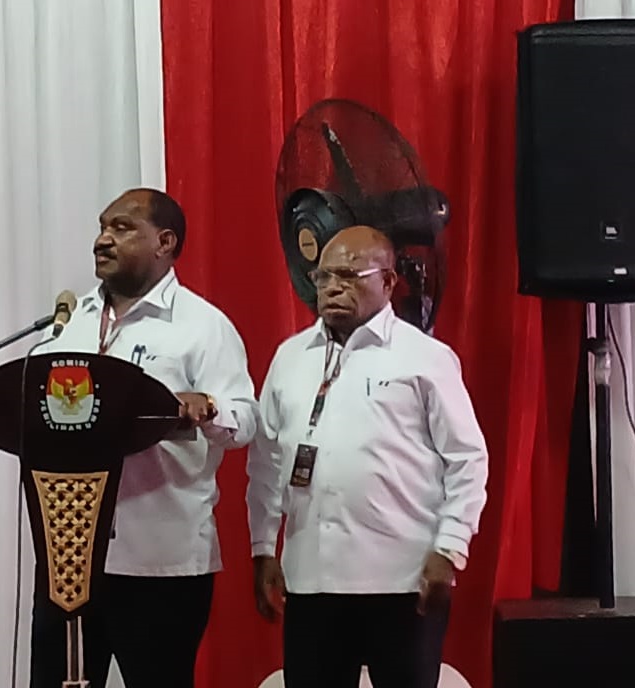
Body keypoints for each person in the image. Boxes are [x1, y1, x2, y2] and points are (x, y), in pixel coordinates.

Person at [30, 188, 258, 688]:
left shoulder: (202, 326)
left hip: (162, 564)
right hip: (70, 560)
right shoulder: (69, 326)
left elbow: (245, 422)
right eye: (102, 227)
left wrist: (207, 407)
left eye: (121, 228)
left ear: (164, 242)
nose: (102, 240)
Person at [246, 225, 488, 688]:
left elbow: (467, 459)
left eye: (349, 276)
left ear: (389, 282)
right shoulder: (291, 357)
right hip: (311, 579)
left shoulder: (425, 357)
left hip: (402, 580)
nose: (332, 288)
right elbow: (266, 460)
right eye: (323, 277)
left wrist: (450, 547)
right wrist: (262, 548)